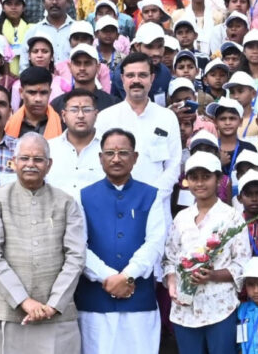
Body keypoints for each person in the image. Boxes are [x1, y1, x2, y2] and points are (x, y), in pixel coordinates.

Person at [0, 132, 85, 354]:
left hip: (56, 314)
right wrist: (24, 301)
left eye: (38, 159)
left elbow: (76, 257)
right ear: (13, 163)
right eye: (24, 158)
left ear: (49, 164)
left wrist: (54, 304)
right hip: (4, 312)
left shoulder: (66, 202)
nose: (30, 164)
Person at [75, 128, 165, 354]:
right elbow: (78, 246)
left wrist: (127, 276)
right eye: (110, 153)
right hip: (95, 301)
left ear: (134, 158)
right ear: (100, 158)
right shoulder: (83, 196)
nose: (116, 159)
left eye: (123, 153)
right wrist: (108, 277)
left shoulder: (152, 195)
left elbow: (155, 242)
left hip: (139, 301)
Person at [162, 151, 250, 354]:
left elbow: (242, 263)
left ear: (218, 179)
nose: (200, 183)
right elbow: (170, 258)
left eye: (206, 177)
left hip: (219, 306)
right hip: (184, 307)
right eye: (194, 177)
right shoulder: (182, 218)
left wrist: (213, 275)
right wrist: (173, 282)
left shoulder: (232, 217)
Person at [95, 52, 181, 224]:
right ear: (122, 79)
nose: (136, 80)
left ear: (152, 78)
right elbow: (98, 162)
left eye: (142, 75)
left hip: (157, 206)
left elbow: (173, 165)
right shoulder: (106, 117)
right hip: (116, 206)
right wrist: (121, 196)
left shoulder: (167, 117)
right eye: (130, 75)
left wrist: (151, 196)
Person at [45, 89, 104, 199]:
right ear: (63, 115)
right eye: (74, 110)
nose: (80, 115)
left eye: (86, 110)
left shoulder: (108, 150)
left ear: (96, 114)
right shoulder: (49, 148)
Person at [20, 0, 75, 69]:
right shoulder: (33, 31)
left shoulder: (77, 30)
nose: (54, 2)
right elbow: (24, 66)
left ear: (68, 1)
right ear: (43, 2)